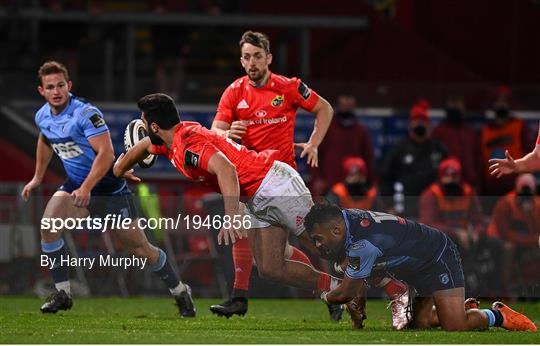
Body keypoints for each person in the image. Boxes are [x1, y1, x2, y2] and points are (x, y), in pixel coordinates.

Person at [112, 93, 362, 324]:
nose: (143, 126)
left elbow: (226, 170)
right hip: (257, 197)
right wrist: (120, 170)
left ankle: (390, 284)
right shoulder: (171, 140)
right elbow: (144, 146)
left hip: (274, 185)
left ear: (155, 127)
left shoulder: (188, 145)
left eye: (145, 122)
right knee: (270, 268)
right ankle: (336, 287)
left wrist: (231, 218)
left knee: (327, 247)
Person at [21, 62, 195, 317]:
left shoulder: (85, 113)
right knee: (49, 226)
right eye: (50, 87)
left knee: (140, 249)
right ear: (41, 91)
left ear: (69, 86)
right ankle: (63, 293)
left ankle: (180, 291)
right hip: (76, 186)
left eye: (60, 85)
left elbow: (106, 154)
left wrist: (88, 187)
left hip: (107, 188)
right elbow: (45, 139)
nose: (56, 91)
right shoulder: (42, 116)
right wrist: (37, 177)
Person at [209, 30, 336, 318]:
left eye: (256, 56)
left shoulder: (288, 87)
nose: (251, 62)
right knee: (271, 261)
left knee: (318, 241)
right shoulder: (234, 91)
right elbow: (215, 130)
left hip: (282, 180)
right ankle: (331, 290)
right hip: (251, 178)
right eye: (246, 57)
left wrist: (314, 143)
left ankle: (372, 283)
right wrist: (228, 132)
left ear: (268, 58)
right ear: (241, 61)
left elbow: (324, 109)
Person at [303, 203, 537, 332]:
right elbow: (355, 283)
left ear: (335, 230)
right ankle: (459, 306)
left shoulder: (360, 244)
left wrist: (325, 295)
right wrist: (357, 311)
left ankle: (497, 315)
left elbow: (346, 292)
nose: (317, 245)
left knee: (455, 326)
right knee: (418, 325)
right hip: (413, 266)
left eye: (318, 238)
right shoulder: (346, 219)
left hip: (437, 257)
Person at [380, 100, 448, 217]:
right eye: (416, 121)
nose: (419, 124)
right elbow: (385, 178)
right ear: (410, 125)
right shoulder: (399, 149)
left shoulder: (438, 148)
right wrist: (389, 205)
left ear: (429, 125)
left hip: (434, 211)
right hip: (406, 210)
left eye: (423, 121)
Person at [487, 174, 540, 295]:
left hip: (525, 238)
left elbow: (537, 229)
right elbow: (504, 232)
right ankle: (505, 286)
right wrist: (530, 240)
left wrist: (530, 214)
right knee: (509, 247)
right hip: (500, 238)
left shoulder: (537, 204)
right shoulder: (506, 203)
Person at [313, 94, 376, 194]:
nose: (347, 102)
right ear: (338, 102)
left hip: (354, 187)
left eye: (349, 98)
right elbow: (314, 153)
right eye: (344, 98)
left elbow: (368, 158)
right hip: (330, 184)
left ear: (354, 103)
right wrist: (318, 178)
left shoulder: (360, 130)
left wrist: (370, 181)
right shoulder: (327, 127)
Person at [419, 157, 484, 253]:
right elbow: (429, 224)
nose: (451, 181)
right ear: (440, 177)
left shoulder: (468, 191)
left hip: (467, 236)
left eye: (454, 177)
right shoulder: (430, 194)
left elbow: (478, 218)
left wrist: (476, 231)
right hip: (442, 238)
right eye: (447, 177)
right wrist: (456, 233)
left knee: (493, 242)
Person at [481, 90, 534, 197]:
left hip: (515, 184)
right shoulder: (484, 131)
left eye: (504, 101)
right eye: (498, 101)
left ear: (509, 104)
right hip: (491, 186)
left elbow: (531, 153)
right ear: (493, 104)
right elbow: (480, 161)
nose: (501, 105)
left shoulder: (520, 126)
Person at [431, 96, 481, 188]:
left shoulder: (470, 133)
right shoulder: (438, 132)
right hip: (446, 185)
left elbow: (478, 161)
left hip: (469, 185)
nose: (455, 106)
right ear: (446, 105)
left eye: (458, 102)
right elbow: (433, 162)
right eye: (452, 102)